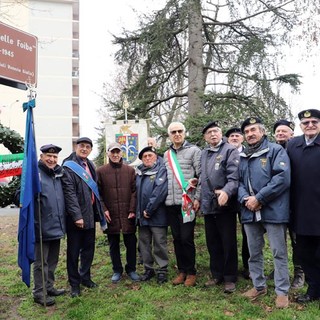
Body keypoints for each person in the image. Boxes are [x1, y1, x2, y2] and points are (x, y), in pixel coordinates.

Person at [238, 117, 290, 309]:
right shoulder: (243, 155)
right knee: (254, 252)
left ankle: (282, 291)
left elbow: (282, 179)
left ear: (262, 131)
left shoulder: (276, 150)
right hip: (249, 211)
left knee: (279, 252)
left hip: (273, 210)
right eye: (247, 132)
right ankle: (258, 286)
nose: (250, 134)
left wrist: (259, 198)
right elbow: (239, 183)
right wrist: (246, 199)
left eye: (253, 130)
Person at [18, 144, 66, 306]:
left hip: (56, 225)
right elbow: (21, 195)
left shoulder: (57, 174)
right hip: (41, 227)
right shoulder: (34, 174)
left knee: (52, 261)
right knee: (41, 263)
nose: (52, 159)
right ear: (41, 157)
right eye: (48, 156)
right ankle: (39, 292)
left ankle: (49, 286)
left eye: (54, 157)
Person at [62, 137, 104, 297]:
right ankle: (74, 284)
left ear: (90, 150)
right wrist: (77, 216)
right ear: (76, 147)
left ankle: (85, 277)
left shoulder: (90, 165)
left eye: (88, 147)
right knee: (73, 252)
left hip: (90, 215)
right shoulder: (69, 166)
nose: (84, 149)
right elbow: (69, 193)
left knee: (89, 249)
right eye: (82, 146)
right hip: (75, 218)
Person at [200, 122, 239, 293]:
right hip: (208, 205)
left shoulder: (229, 150)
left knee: (228, 242)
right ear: (205, 137)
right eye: (209, 133)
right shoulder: (204, 153)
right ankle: (217, 274)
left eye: (215, 131)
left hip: (225, 205)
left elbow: (234, 177)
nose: (213, 134)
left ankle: (230, 278)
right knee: (212, 242)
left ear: (221, 133)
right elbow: (204, 175)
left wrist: (226, 192)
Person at [287, 109, 320, 303]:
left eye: (314, 122)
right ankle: (314, 289)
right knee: (304, 254)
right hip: (300, 210)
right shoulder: (292, 145)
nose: (310, 126)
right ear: (300, 126)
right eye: (306, 123)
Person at [163, 121, 201, 287]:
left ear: (184, 133)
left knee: (186, 238)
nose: (177, 134)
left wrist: (197, 198)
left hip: (187, 203)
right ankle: (182, 271)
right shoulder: (166, 155)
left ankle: (191, 272)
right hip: (170, 203)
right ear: (169, 135)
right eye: (173, 132)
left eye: (179, 131)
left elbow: (201, 176)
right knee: (177, 239)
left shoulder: (194, 151)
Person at [96, 142, 140, 283]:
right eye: (112, 152)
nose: (115, 155)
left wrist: (132, 209)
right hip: (111, 214)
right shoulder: (101, 171)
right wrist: (104, 209)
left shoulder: (130, 171)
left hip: (128, 214)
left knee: (131, 243)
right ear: (108, 153)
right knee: (113, 244)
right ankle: (117, 270)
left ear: (122, 153)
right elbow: (98, 194)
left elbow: (134, 192)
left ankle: (131, 269)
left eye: (118, 152)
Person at [273, 119, 305, 289]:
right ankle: (280, 269)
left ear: (292, 133)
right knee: (278, 239)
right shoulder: (271, 150)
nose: (280, 134)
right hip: (277, 202)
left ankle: (300, 272)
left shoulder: (297, 149)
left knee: (296, 239)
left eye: (284, 131)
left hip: (295, 201)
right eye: (278, 131)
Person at [136, 146, 169, 284]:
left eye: (150, 155)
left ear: (156, 156)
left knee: (159, 243)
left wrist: (149, 210)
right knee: (144, 243)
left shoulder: (161, 169)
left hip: (157, 215)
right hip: (142, 216)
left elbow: (159, 191)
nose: (148, 158)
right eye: (145, 156)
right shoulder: (138, 173)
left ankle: (162, 270)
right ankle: (148, 269)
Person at [225, 127, 250, 280]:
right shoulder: (224, 152)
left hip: (245, 197)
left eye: (237, 135)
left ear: (242, 138)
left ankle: (248, 265)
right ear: (227, 139)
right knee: (228, 233)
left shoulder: (248, 153)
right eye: (231, 136)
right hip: (227, 197)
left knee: (248, 233)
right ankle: (229, 266)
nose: (234, 138)